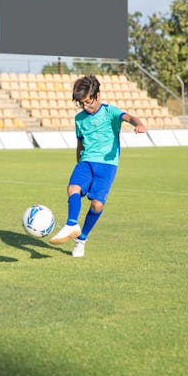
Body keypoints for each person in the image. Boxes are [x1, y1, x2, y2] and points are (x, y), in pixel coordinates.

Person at [49, 74, 146, 257]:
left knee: (97, 205)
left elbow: (129, 117)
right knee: (73, 188)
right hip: (86, 162)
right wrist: (79, 162)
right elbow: (80, 143)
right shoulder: (79, 119)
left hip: (107, 165)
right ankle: (71, 224)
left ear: (97, 96)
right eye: (81, 103)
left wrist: (139, 124)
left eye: (88, 102)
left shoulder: (110, 111)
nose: (85, 106)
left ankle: (81, 239)